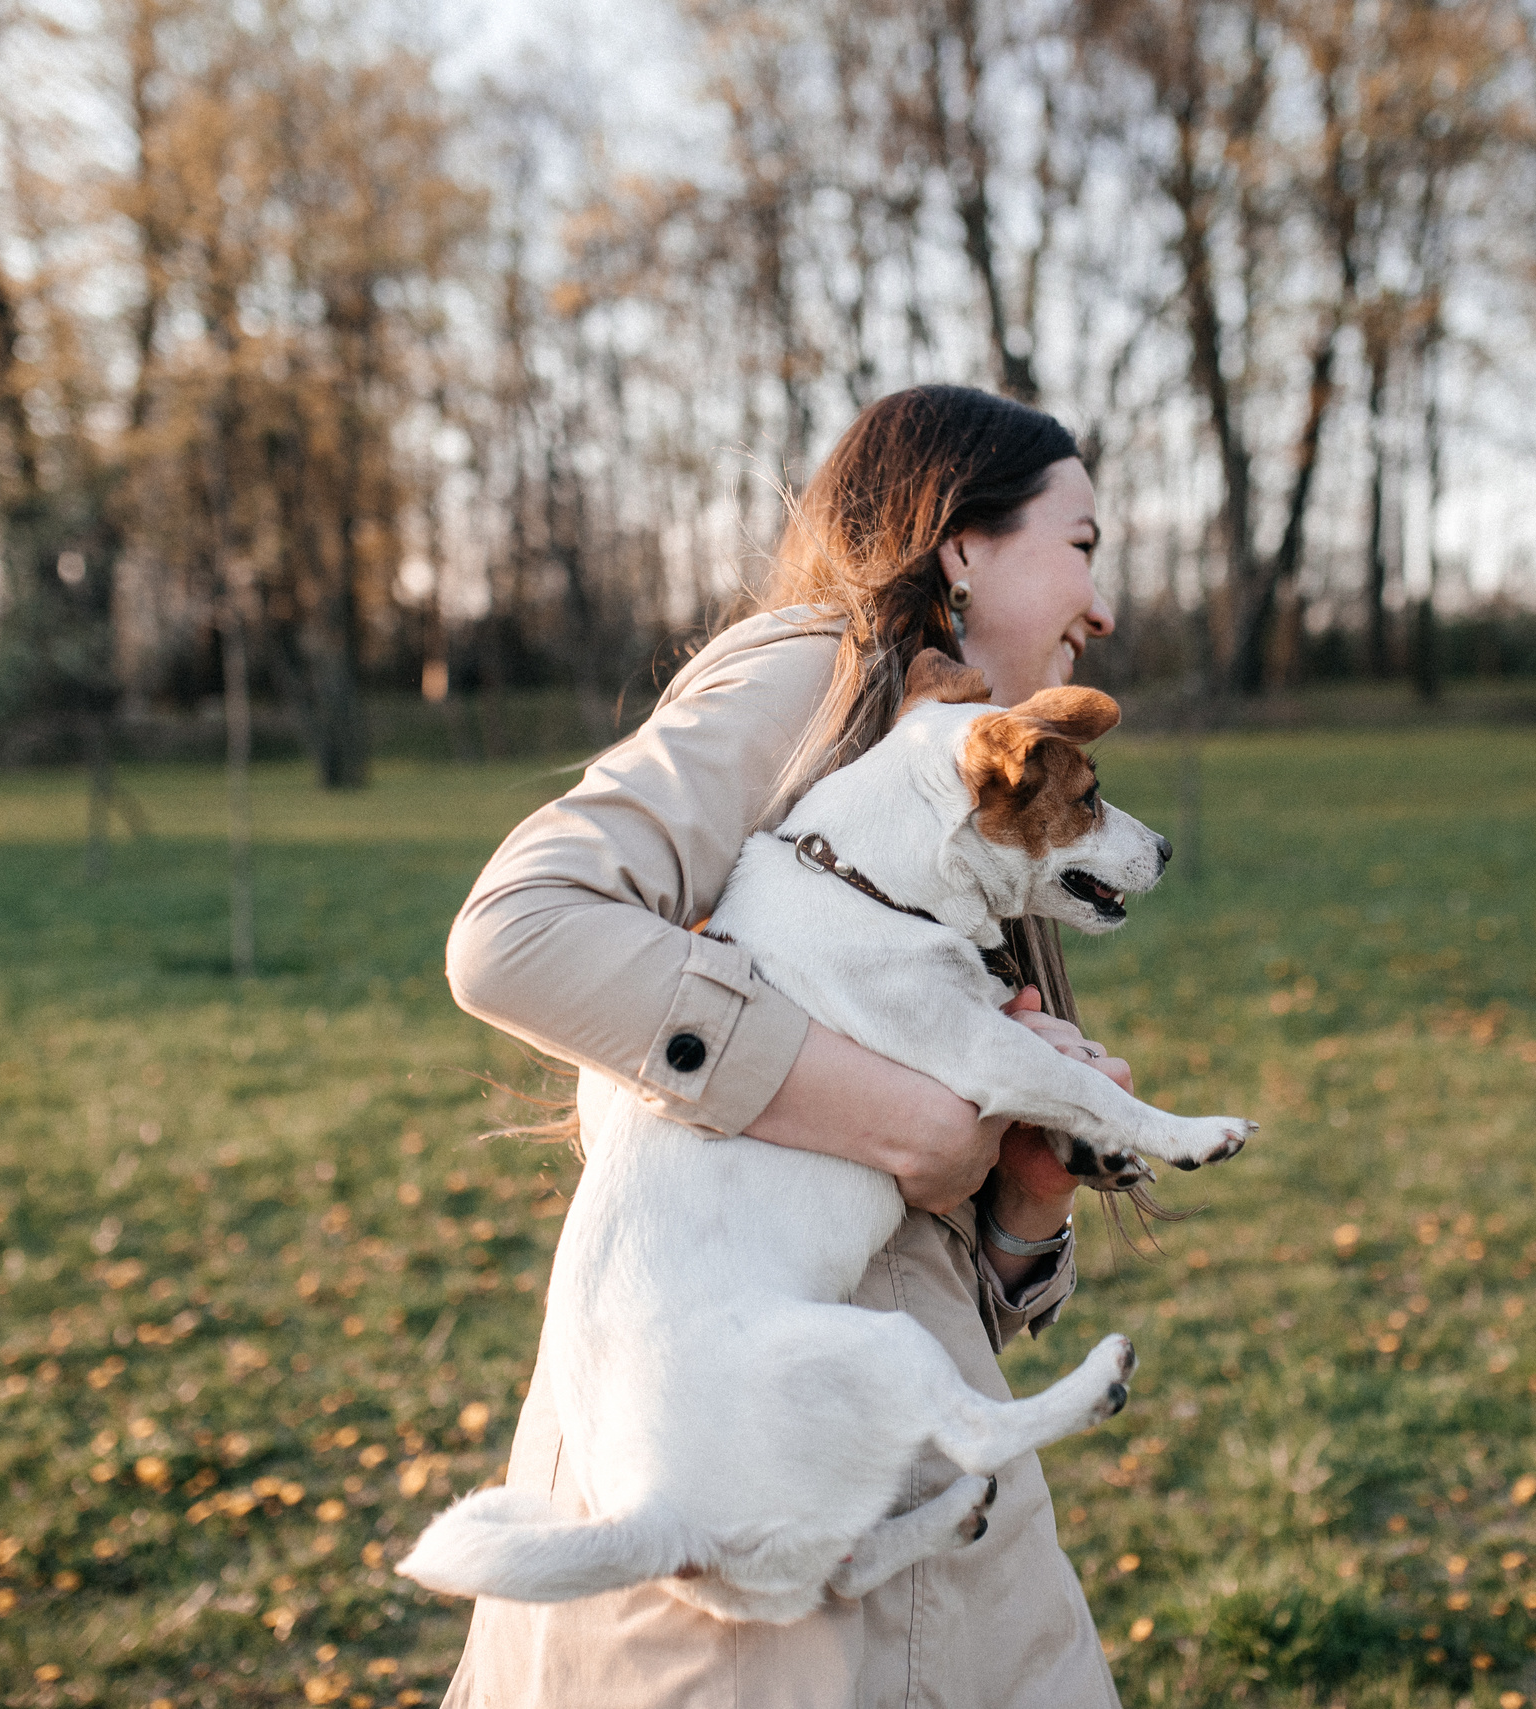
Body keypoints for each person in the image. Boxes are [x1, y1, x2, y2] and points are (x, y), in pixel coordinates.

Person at [438, 385, 1133, 1708]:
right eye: (1084, 543)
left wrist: (1022, 1212)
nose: (1101, 604)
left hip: (902, 1517)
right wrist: (887, 1109)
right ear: (964, 549)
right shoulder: (810, 672)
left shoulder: (955, 784)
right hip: (736, 1543)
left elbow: (893, 1266)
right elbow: (516, 930)